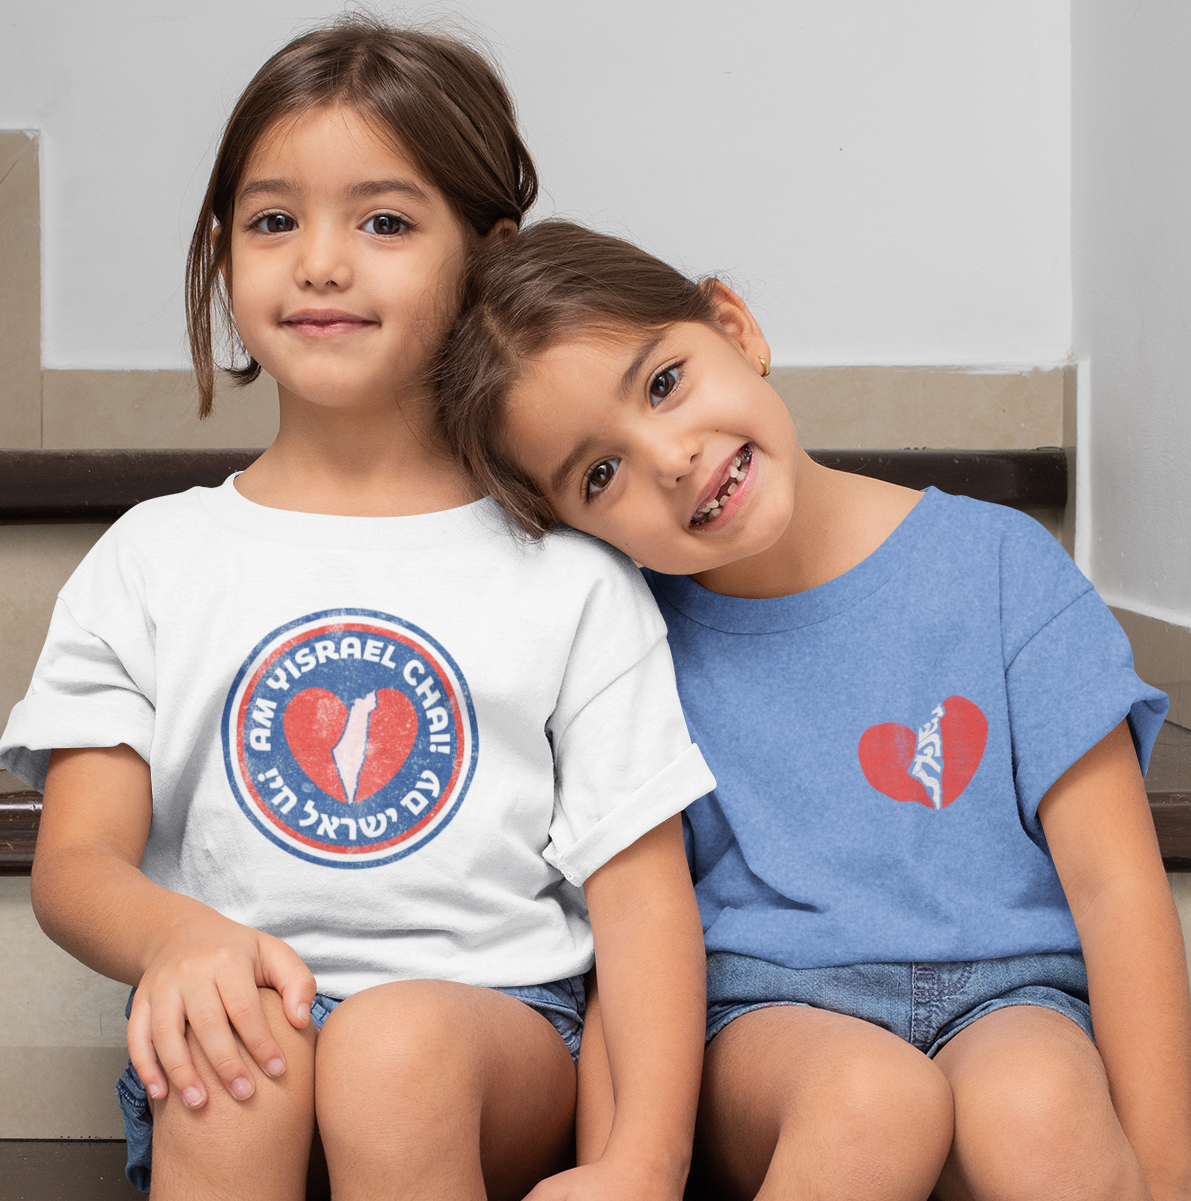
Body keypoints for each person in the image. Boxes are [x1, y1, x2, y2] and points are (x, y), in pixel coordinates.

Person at [0, 33, 713, 1201]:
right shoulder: (156, 557)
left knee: (393, 1050)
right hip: (236, 1018)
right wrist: (176, 938)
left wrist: (643, 1162)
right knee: (246, 1056)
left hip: (497, 1029)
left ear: (485, 262)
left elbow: (642, 905)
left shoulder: (567, 577)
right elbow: (76, 862)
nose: (321, 263)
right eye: (274, 222)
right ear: (224, 251)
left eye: (383, 222)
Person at [431, 219, 1191, 1201]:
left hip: (1012, 987)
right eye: (600, 474)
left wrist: (1166, 1175)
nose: (668, 457)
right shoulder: (628, 645)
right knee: (867, 1100)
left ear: (735, 325)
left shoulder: (999, 566)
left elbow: (1117, 888)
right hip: (767, 1010)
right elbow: (632, 925)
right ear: (575, 529)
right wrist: (617, 1163)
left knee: (1039, 1109)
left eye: (663, 383)